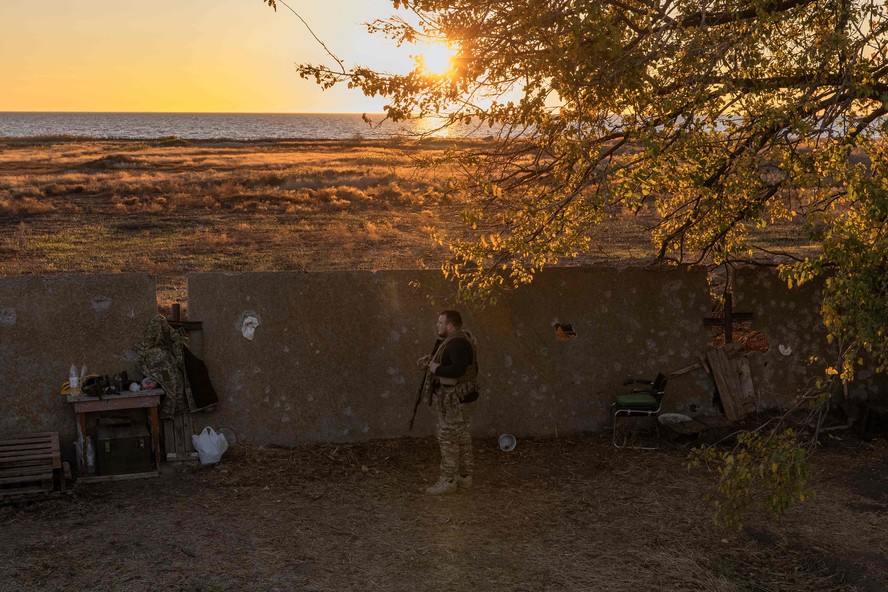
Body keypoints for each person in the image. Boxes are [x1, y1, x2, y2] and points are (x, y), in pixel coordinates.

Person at [416, 309, 479, 495]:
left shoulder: (457, 343)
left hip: (456, 400)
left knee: (448, 438)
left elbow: (457, 370)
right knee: (461, 436)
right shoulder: (460, 340)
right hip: (463, 398)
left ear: (450, 325)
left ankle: (448, 481)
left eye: (440, 322)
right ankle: (465, 477)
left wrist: (436, 368)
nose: (437, 325)